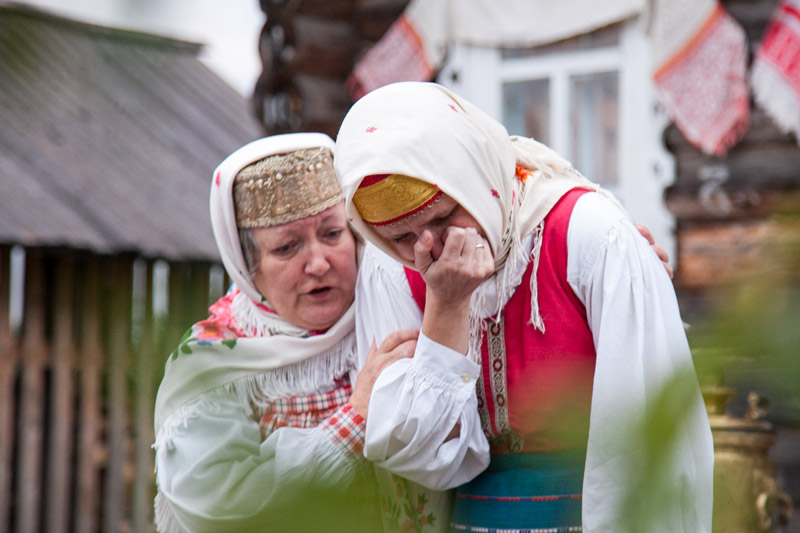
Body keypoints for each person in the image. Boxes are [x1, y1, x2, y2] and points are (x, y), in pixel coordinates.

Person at [334, 81, 714, 532]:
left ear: (474, 180)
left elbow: (647, 449)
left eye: (442, 218)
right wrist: (448, 307)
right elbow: (417, 460)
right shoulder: (392, 270)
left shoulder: (590, 234)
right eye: (402, 237)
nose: (430, 247)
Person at [152, 133, 427, 532]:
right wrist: (356, 417)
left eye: (332, 234)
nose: (318, 263)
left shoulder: (397, 309)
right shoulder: (216, 359)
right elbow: (219, 501)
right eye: (286, 247)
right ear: (248, 267)